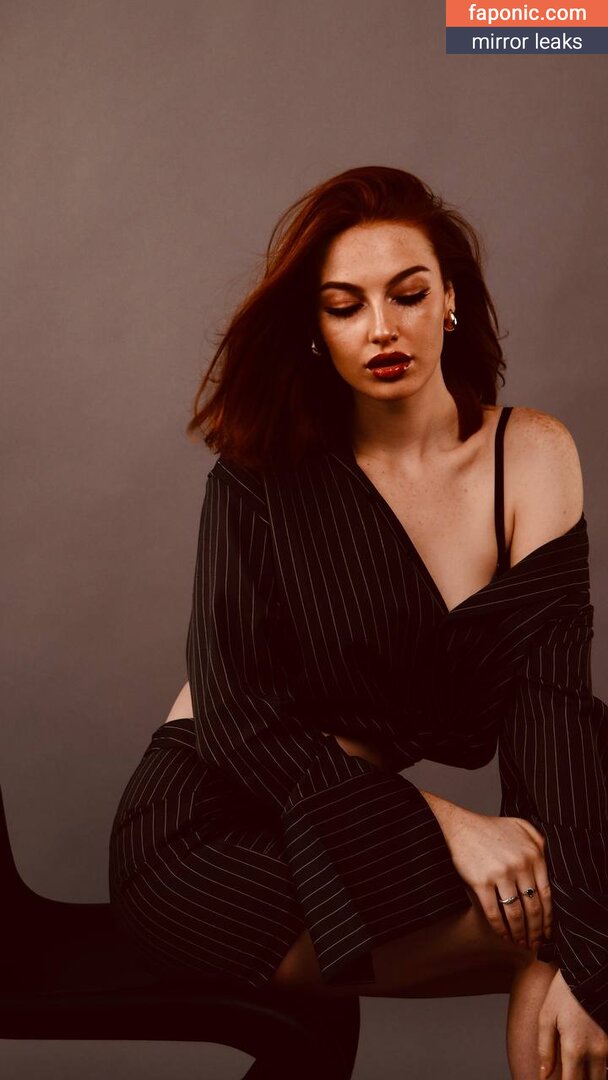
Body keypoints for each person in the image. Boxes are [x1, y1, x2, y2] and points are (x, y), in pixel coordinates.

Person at [109, 165, 607, 1079]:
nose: (383, 328)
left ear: (450, 301)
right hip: (210, 834)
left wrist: (582, 907)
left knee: (582, 921)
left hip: (348, 826)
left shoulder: (530, 458)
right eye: (345, 306)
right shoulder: (259, 476)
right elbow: (239, 722)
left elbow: (556, 713)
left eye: (408, 294)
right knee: (559, 931)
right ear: (316, 330)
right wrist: (448, 823)